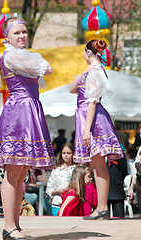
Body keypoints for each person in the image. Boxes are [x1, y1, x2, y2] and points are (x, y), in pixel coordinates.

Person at [0, 17, 55, 239]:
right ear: (7, 37)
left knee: (22, 173)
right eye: (17, 33)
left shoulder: (24, 56)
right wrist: (38, 60)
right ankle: (8, 226)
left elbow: (45, 68)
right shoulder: (11, 56)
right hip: (18, 113)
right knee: (13, 171)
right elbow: (46, 68)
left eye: (24, 32)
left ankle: (15, 224)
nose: (22, 36)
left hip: (31, 109)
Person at [69, 39, 124, 220]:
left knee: (98, 165)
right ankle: (101, 208)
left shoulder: (95, 73)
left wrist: (86, 130)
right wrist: (86, 70)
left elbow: (92, 102)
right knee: (96, 165)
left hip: (93, 120)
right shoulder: (93, 71)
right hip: (89, 117)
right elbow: (72, 88)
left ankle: (101, 208)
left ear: (87, 52)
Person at [46, 143, 76, 216]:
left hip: (72, 204)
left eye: (68, 153)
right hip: (57, 203)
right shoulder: (56, 170)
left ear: (73, 154)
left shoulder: (76, 169)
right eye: (64, 153)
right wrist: (57, 191)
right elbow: (49, 189)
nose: (66, 155)